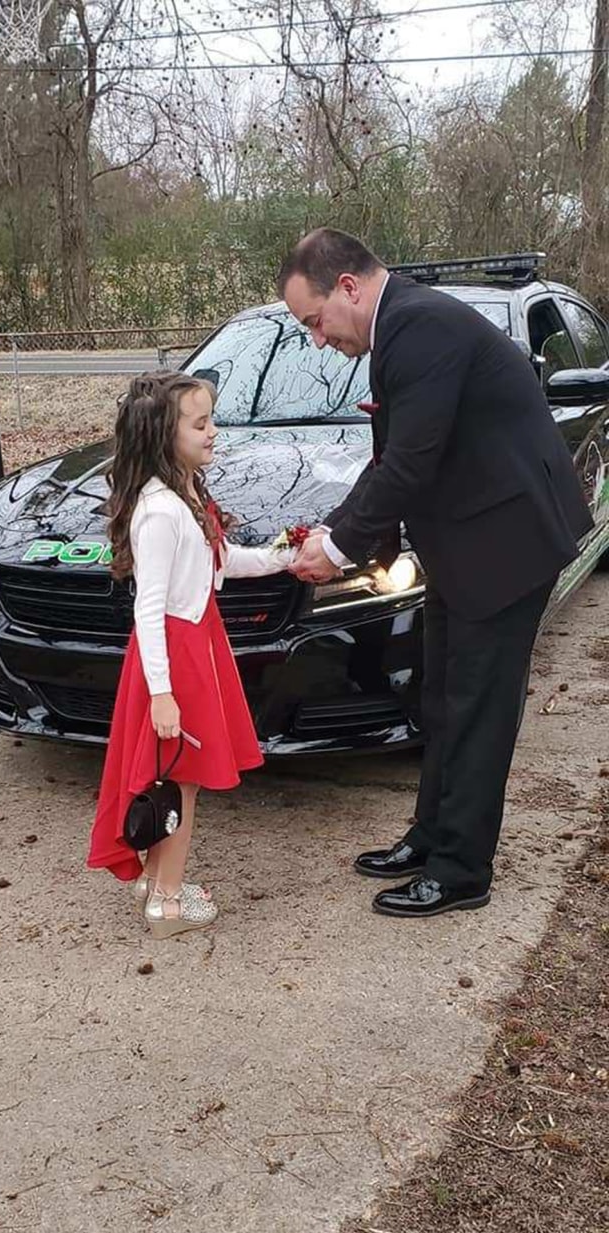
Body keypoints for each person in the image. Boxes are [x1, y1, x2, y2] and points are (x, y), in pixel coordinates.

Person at [280, 229, 592, 918]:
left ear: (349, 289)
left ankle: (461, 871)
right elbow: (395, 459)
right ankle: (430, 837)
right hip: (466, 540)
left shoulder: (418, 328)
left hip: (507, 542)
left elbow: (411, 463)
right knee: (443, 697)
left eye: (314, 320)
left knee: (478, 710)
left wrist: (334, 554)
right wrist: (337, 530)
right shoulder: (402, 328)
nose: (318, 339)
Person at [87, 371, 296, 939]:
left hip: (196, 647)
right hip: (176, 659)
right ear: (161, 433)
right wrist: (162, 692)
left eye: (212, 420)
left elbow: (222, 563)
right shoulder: (159, 512)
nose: (213, 432)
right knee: (180, 781)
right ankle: (168, 904)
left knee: (176, 776)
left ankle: (155, 881)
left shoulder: (187, 496)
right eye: (200, 423)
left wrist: (286, 556)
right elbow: (147, 610)